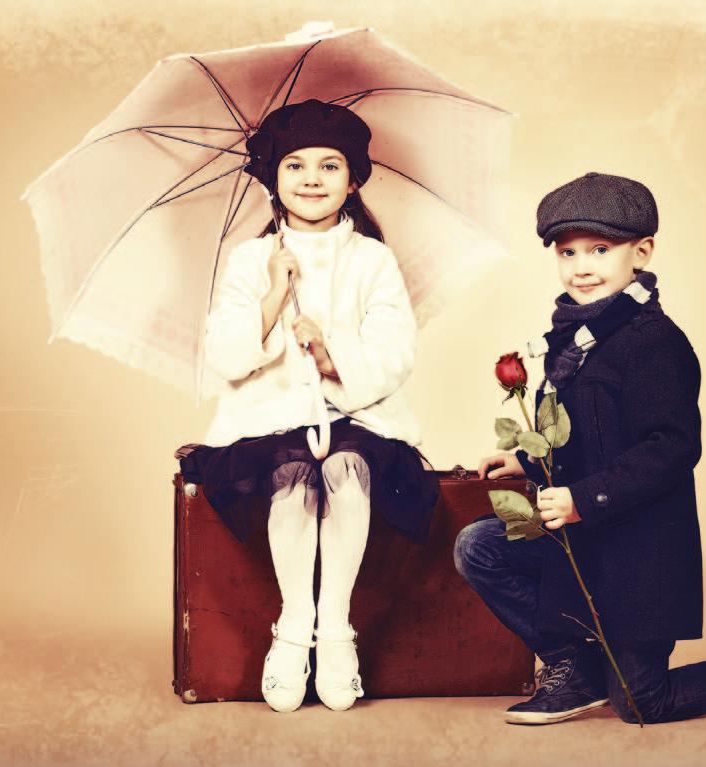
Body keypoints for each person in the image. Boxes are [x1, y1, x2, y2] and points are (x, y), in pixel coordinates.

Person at [453, 172, 706, 725]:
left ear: (641, 253)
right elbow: (585, 434)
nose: (581, 266)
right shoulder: (573, 340)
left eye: (600, 250)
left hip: (638, 557)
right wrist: (529, 459)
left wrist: (583, 499)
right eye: (567, 252)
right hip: (583, 543)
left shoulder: (653, 341)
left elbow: (672, 447)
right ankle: (575, 668)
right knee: (480, 546)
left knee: (640, 701)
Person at [177, 99, 438, 714]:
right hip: (267, 419)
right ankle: (294, 626)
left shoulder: (372, 259)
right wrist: (274, 295)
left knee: (348, 466)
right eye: (295, 166)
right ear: (273, 179)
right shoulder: (251, 259)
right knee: (291, 473)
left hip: (355, 414)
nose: (312, 179)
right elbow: (227, 357)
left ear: (353, 180)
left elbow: (396, 351)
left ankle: (336, 626)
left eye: (329, 166)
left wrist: (327, 354)